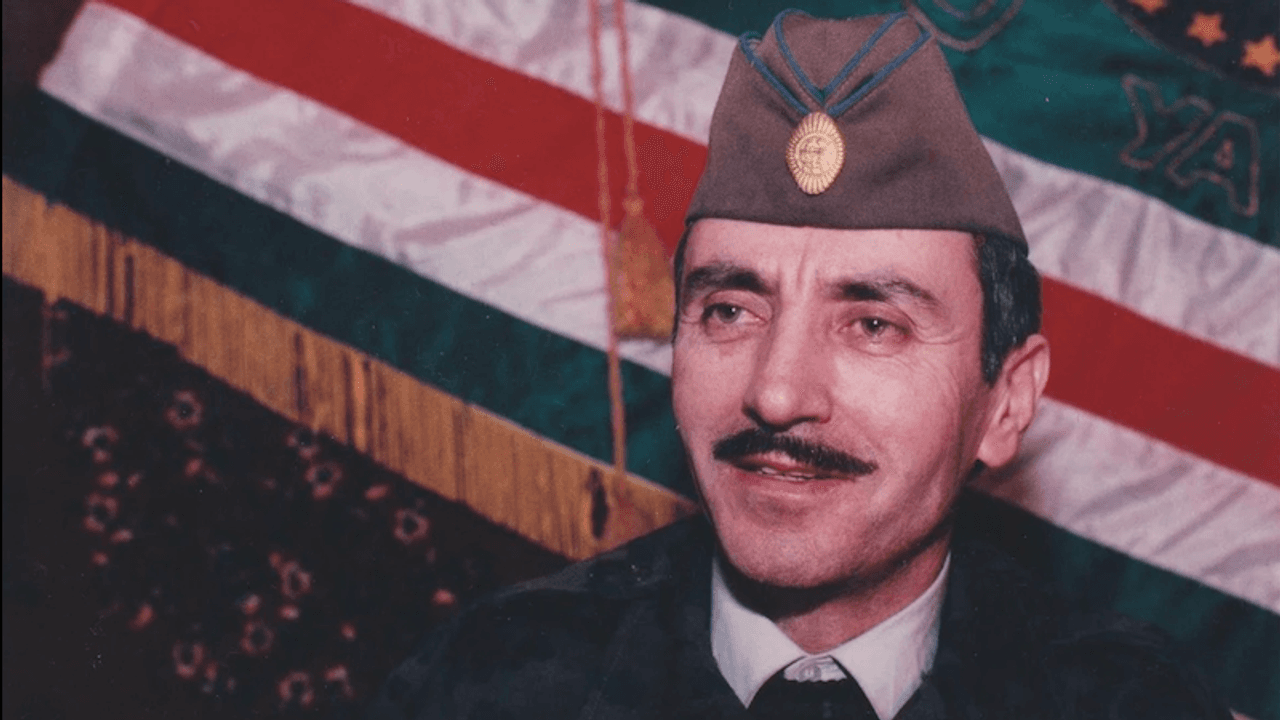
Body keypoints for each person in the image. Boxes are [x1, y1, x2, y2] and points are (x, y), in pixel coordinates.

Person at [366, 10, 1231, 720]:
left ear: (1005, 403)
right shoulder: (493, 684)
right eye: (730, 311)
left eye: (873, 325)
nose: (776, 393)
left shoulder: (1127, 703)